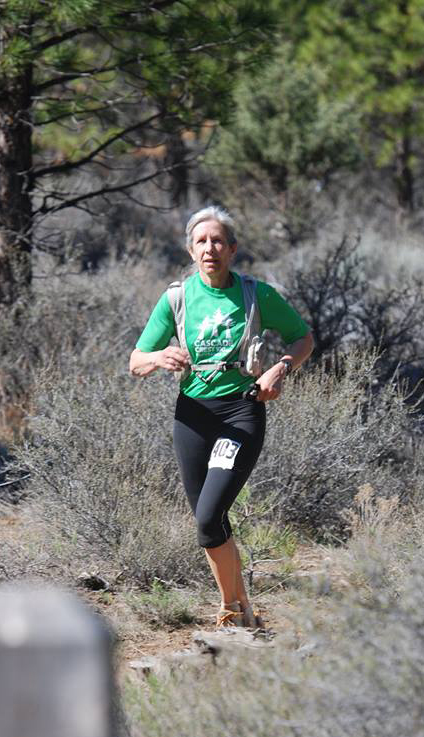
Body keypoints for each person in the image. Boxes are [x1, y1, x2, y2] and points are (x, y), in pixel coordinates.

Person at [129, 206, 314, 629]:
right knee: (209, 525)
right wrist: (159, 357)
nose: (209, 248)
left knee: (210, 514)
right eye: (201, 241)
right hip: (192, 417)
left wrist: (280, 368)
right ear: (191, 251)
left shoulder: (256, 294)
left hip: (240, 411)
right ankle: (241, 611)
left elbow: (302, 338)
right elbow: (136, 361)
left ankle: (231, 612)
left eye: (217, 241)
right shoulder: (176, 298)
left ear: (232, 249)